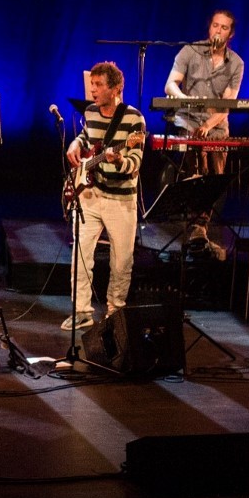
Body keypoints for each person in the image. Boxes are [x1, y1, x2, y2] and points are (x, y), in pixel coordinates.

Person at [63, 62, 145, 331]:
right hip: (91, 194)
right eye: (92, 85)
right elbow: (86, 137)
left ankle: (115, 311)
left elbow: (135, 163)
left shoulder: (134, 120)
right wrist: (76, 142)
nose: (93, 90)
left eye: (99, 85)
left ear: (116, 88)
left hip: (121, 200)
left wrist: (118, 159)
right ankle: (81, 311)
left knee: (121, 262)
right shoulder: (90, 112)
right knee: (80, 255)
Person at [163, 9, 243, 249]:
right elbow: (170, 84)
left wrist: (208, 125)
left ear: (231, 34)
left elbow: (227, 104)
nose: (218, 31)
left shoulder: (236, 63)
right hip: (188, 120)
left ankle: (200, 226)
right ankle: (197, 226)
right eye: (215, 25)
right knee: (196, 166)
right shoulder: (190, 51)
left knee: (214, 177)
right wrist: (185, 100)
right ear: (210, 27)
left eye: (224, 27)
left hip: (216, 126)